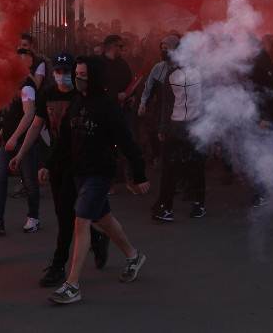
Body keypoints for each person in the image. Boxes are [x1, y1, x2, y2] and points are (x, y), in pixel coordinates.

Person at [44, 57, 150, 305]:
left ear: (94, 77)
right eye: (77, 73)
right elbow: (64, 139)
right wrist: (48, 164)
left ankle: (72, 285)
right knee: (105, 220)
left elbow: (127, 142)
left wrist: (139, 174)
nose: (77, 78)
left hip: (100, 173)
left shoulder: (107, 107)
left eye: (83, 74)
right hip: (79, 173)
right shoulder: (76, 102)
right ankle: (133, 256)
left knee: (81, 221)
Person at [11, 53, 109, 287]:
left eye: (66, 71)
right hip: (57, 162)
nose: (62, 76)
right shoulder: (47, 94)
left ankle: (64, 260)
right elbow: (37, 125)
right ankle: (86, 244)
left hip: (81, 163)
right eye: (58, 71)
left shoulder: (81, 96)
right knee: (66, 214)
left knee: (79, 213)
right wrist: (21, 153)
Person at [139, 35, 206, 222]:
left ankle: (197, 203)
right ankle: (165, 205)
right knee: (170, 167)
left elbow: (207, 100)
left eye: (167, 48)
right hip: (176, 128)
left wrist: (206, 126)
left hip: (194, 127)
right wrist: (163, 127)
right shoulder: (171, 73)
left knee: (194, 166)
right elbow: (167, 105)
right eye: (162, 48)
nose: (164, 51)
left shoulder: (198, 72)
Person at [0, 48, 41, 235]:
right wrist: (2, 134)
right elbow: (11, 116)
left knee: (29, 181)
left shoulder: (27, 87)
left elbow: (29, 114)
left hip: (24, 142)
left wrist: (15, 138)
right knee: (0, 179)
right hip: (8, 141)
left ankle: (33, 217)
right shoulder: (11, 86)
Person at [248, 34, 273, 207]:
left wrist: (264, 116)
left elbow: (269, 91)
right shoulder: (261, 62)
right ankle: (267, 191)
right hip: (268, 117)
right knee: (265, 154)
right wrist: (262, 116)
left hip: (272, 116)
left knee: (269, 153)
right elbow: (258, 92)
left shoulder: (271, 62)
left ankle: (271, 191)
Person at [100, 34, 133, 102]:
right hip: (103, 104)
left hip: (121, 105)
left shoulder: (123, 64)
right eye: (120, 46)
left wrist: (131, 95)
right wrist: (115, 96)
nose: (122, 49)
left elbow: (129, 81)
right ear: (111, 46)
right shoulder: (97, 63)